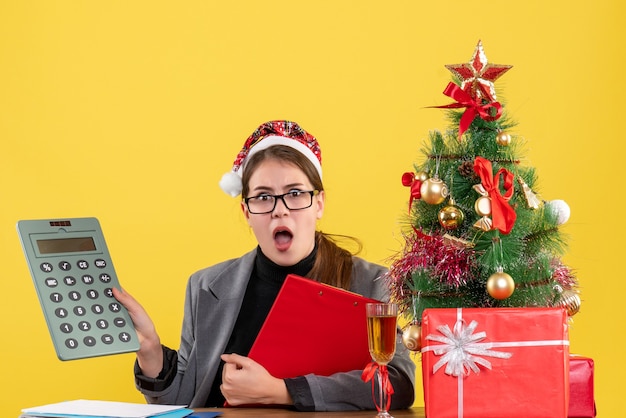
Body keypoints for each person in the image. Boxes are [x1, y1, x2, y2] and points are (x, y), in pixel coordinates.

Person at [113, 120, 416, 411]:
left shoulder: (373, 282)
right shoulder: (205, 286)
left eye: (295, 193)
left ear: (319, 203)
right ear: (246, 211)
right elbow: (183, 404)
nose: (280, 210)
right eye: (263, 197)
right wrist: (151, 351)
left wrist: (283, 392)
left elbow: (399, 383)